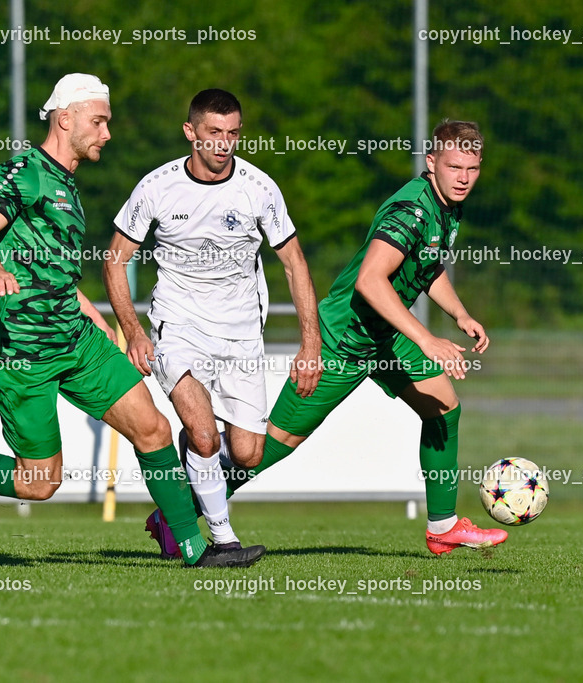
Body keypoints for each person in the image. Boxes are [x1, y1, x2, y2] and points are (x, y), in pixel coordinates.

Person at [0, 73, 264, 568]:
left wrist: (96, 318)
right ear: (66, 119)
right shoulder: (26, 169)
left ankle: (196, 549)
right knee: (39, 483)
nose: (107, 133)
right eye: (98, 122)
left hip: (77, 340)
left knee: (154, 430)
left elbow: (53, 268)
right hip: (25, 349)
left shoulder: (68, 186)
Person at [146, 119, 508, 556]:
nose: (464, 178)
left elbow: (427, 267)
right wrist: (428, 340)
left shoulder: (447, 207)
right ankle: (177, 511)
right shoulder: (411, 210)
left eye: (472, 168)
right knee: (264, 450)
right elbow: (371, 282)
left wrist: (460, 313)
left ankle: (442, 526)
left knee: (444, 409)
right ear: (431, 162)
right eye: (454, 167)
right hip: (343, 339)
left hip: (385, 338)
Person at [103, 89, 321, 556]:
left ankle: (175, 508)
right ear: (191, 133)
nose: (224, 144)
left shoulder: (258, 187)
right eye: (213, 133)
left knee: (247, 454)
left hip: (241, 333)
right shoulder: (156, 187)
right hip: (176, 326)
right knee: (202, 434)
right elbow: (115, 261)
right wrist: (136, 331)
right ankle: (221, 541)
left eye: (233, 134)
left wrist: (310, 344)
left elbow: (294, 264)